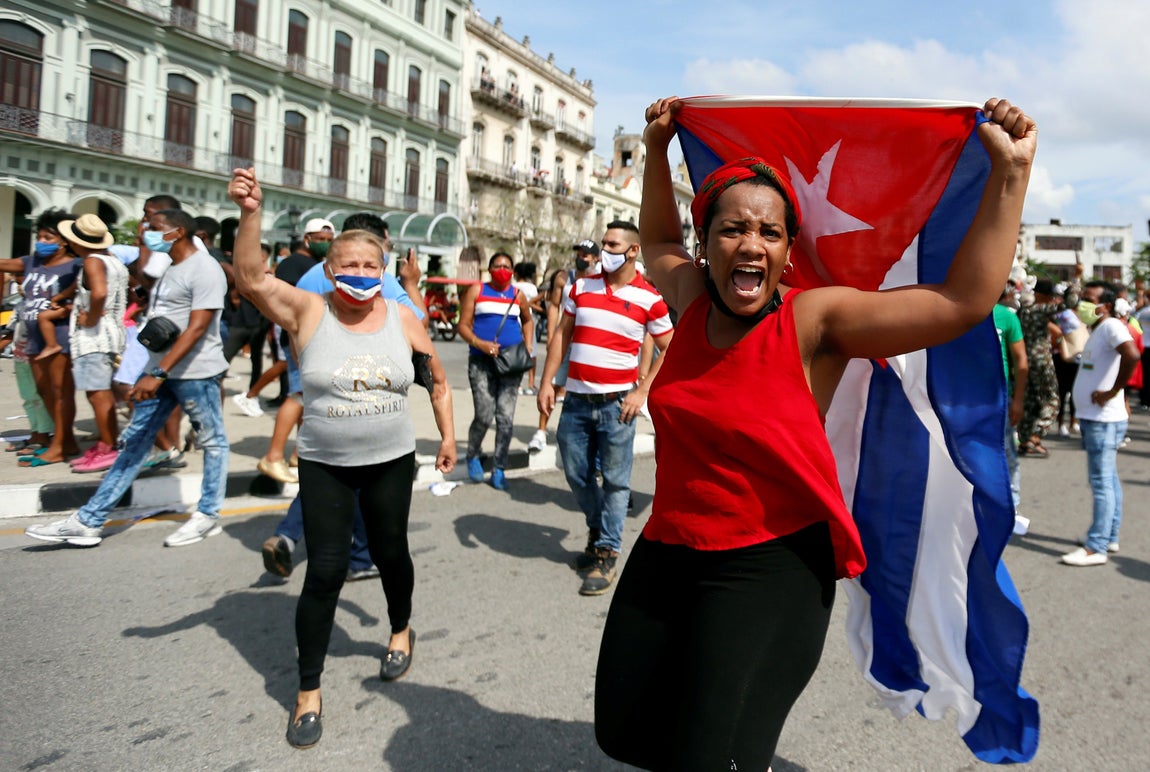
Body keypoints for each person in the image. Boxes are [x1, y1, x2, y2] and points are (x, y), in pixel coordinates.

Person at [587, 97, 1037, 769]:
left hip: (769, 569)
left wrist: (1011, 177)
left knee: (711, 754)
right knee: (623, 730)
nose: (751, 244)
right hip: (668, 549)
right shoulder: (688, 299)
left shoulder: (814, 323)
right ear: (706, 242)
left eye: (769, 233)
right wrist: (656, 151)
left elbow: (962, 301)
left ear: (787, 251)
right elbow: (655, 243)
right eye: (733, 229)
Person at [228, 167, 456, 750]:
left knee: (389, 553)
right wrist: (251, 212)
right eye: (347, 265)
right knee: (325, 572)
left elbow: (436, 380)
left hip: (391, 462)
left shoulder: (403, 317)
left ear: (383, 272)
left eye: (369, 266)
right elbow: (252, 277)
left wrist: (448, 437)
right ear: (328, 269)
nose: (359, 273)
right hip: (326, 465)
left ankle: (401, 629)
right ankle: (308, 690)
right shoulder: (309, 310)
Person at [25, 207, 231, 548]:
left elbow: (197, 328)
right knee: (134, 443)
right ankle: (89, 521)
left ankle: (208, 514)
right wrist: (150, 369)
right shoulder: (172, 266)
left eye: (153, 228)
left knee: (213, 442)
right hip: (161, 372)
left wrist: (157, 373)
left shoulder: (205, 268)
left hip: (195, 372)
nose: (146, 233)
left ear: (177, 232)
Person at [259, 212, 427, 582]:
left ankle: (290, 533)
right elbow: (416, 322)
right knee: (362, 474)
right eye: (385, 244)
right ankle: (360, 557)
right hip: (360, 388)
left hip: (315, 382)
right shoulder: (373, 275)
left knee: (331, 470)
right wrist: (411, 283)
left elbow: (287, 318)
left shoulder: (312, 275)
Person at [537, 223, 673, 595]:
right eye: (604, 243)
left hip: (618, 406)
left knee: (615, 482)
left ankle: (607, 552)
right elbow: (562, 335)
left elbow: (670, 345)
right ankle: (599, 531)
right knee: (576, 474)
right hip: (576, 402)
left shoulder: (649, 298)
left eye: (612, 244)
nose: (604, 249)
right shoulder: (581, 286)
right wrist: (547, 382)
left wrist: (642, 391)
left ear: (632, 251)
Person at [1060, 282, 1140, 566]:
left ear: (1105, 305)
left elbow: (1132, 355)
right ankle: (1108, 535)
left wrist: (1112, 392)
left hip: (1102, 419)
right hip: (1098, 418)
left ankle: (1096, 547)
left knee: (1101, 481)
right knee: (1108, 478)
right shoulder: (1101, 329)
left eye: (1088, 299)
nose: (1082, 303)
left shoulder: (1110, 327)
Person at [0, 209, 82, 467]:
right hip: (35, 337)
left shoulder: (77, 265)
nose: (42, 242)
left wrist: (67, 308)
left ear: (65, 240)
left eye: (49, 237)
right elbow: (3, 264)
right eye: (41, 236)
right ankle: (64, 439)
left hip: (59, 335)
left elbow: (89, 295)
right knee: (45, 391)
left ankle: (60, 444)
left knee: (61, 392)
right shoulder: (31, 262)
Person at [257, 218, 335, 483]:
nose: (325, 243)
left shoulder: (314, 265)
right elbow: (287, 305)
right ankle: (273, 456)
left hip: (313, 338)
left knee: (308, 398)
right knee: (299, 394)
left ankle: (299, 453)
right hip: (298, 339)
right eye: (319, 238)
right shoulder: (293, 265)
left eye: (329, 239)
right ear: (306, 238)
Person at [458, 252, 535, 490]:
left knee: (505, 418)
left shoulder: (517, 294)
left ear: (512, 271)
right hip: (481, 362)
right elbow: (462, 325)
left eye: (507, 266)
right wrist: (480, 343)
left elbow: (528, 320)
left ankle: (499, 468)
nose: (502, 269)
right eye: (497, 265)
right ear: (489, 269)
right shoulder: (477, 290)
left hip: (511, 363)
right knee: (484, 413)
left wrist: (528, 344)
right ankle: (473, 454)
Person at [61, 214, 130, 474]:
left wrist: (88, 319)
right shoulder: (114, 261)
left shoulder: (92, 261)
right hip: (113, 332)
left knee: (97, 394)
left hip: (94, 337)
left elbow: (99, 293)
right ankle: (107, 444)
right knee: (104, 394)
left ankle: (108, 447)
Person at [528, 240, 602, 453]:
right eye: (579, 253)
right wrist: (551, 337)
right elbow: (553, 308)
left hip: (587, 343)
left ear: (595, 258)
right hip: (565, 340)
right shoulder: (563, 278)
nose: (581, 257)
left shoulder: (599, 280)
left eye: (585, 255)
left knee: (578, 391)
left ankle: (575, 435)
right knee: (550, 383)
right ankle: (541, 432)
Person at [1018, 275, 1079, 456]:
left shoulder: (1024, 310)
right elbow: (1071, 302)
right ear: (1045, 295)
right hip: (1041, 360)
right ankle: (1035, 436)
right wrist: (1076, 278)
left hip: (1024, 359)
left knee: (1030, 401)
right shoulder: (1042, 309)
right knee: (1051, 400)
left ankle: (1024, 439)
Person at [993, 287, 1029, 527]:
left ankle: (1011, 505)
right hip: (963, 399)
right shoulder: (962, 314)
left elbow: (1021, 360)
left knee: (1006, 452)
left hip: (998, 397)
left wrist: (1018, 400)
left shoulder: (1006, 317)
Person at [512, 261, 543, 395]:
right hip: (529, 321)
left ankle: (516, 384)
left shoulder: (513, 286)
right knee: (532, 352)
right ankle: (531, 383)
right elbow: (535, 303)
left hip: (514, 320)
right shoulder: (532, 288)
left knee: (516, 352)